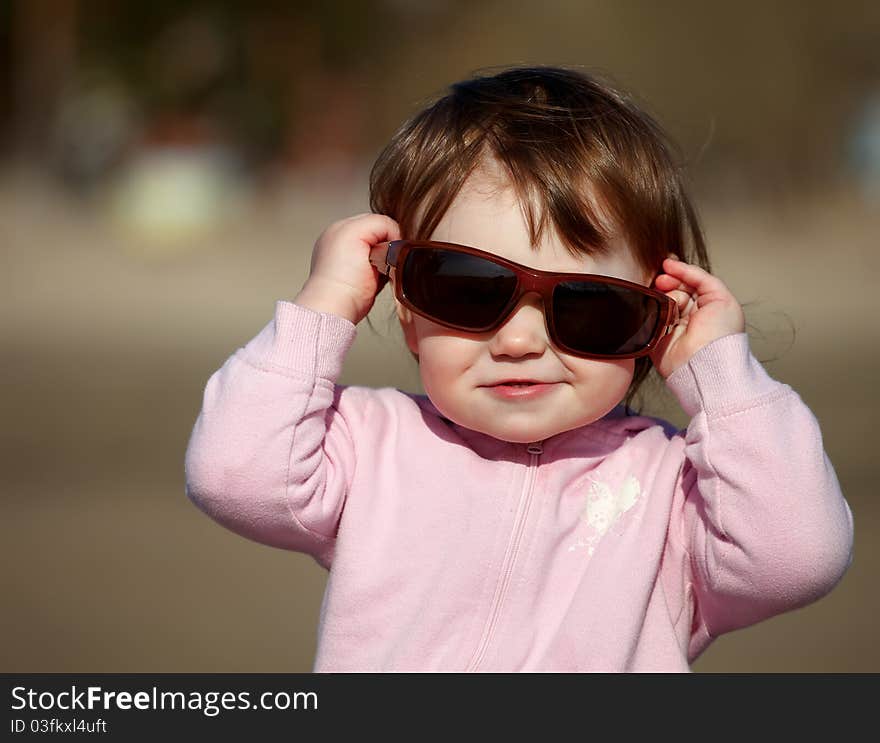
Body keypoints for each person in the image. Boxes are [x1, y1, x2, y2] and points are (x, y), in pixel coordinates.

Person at [184, 66, 854, 672]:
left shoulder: (676, 493)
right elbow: (235, 473)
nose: (520, 341)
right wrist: (324, 306)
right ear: (407, 306)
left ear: (651, 321)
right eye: (467, 287)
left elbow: (797, 556)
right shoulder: (369, 445)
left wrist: (719, 377)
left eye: (589, 307)